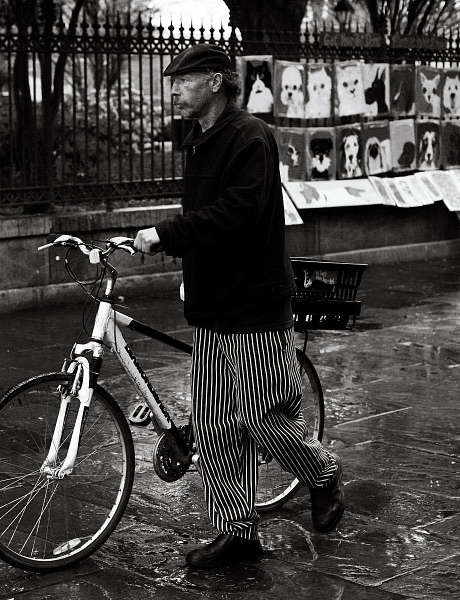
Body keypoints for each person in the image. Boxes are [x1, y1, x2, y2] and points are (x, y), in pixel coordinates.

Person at [133, 43, 344, 569]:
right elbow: (209, 221)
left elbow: (239, 214)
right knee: (214, 424)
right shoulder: (199, 140)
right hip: (212, 306)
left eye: (182, 80)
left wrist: (167, 234)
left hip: (254, 304)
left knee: (263, 416)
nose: (174, 89)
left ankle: (321, 473)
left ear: (214, 81)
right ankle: (238, 532)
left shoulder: (250, 136)